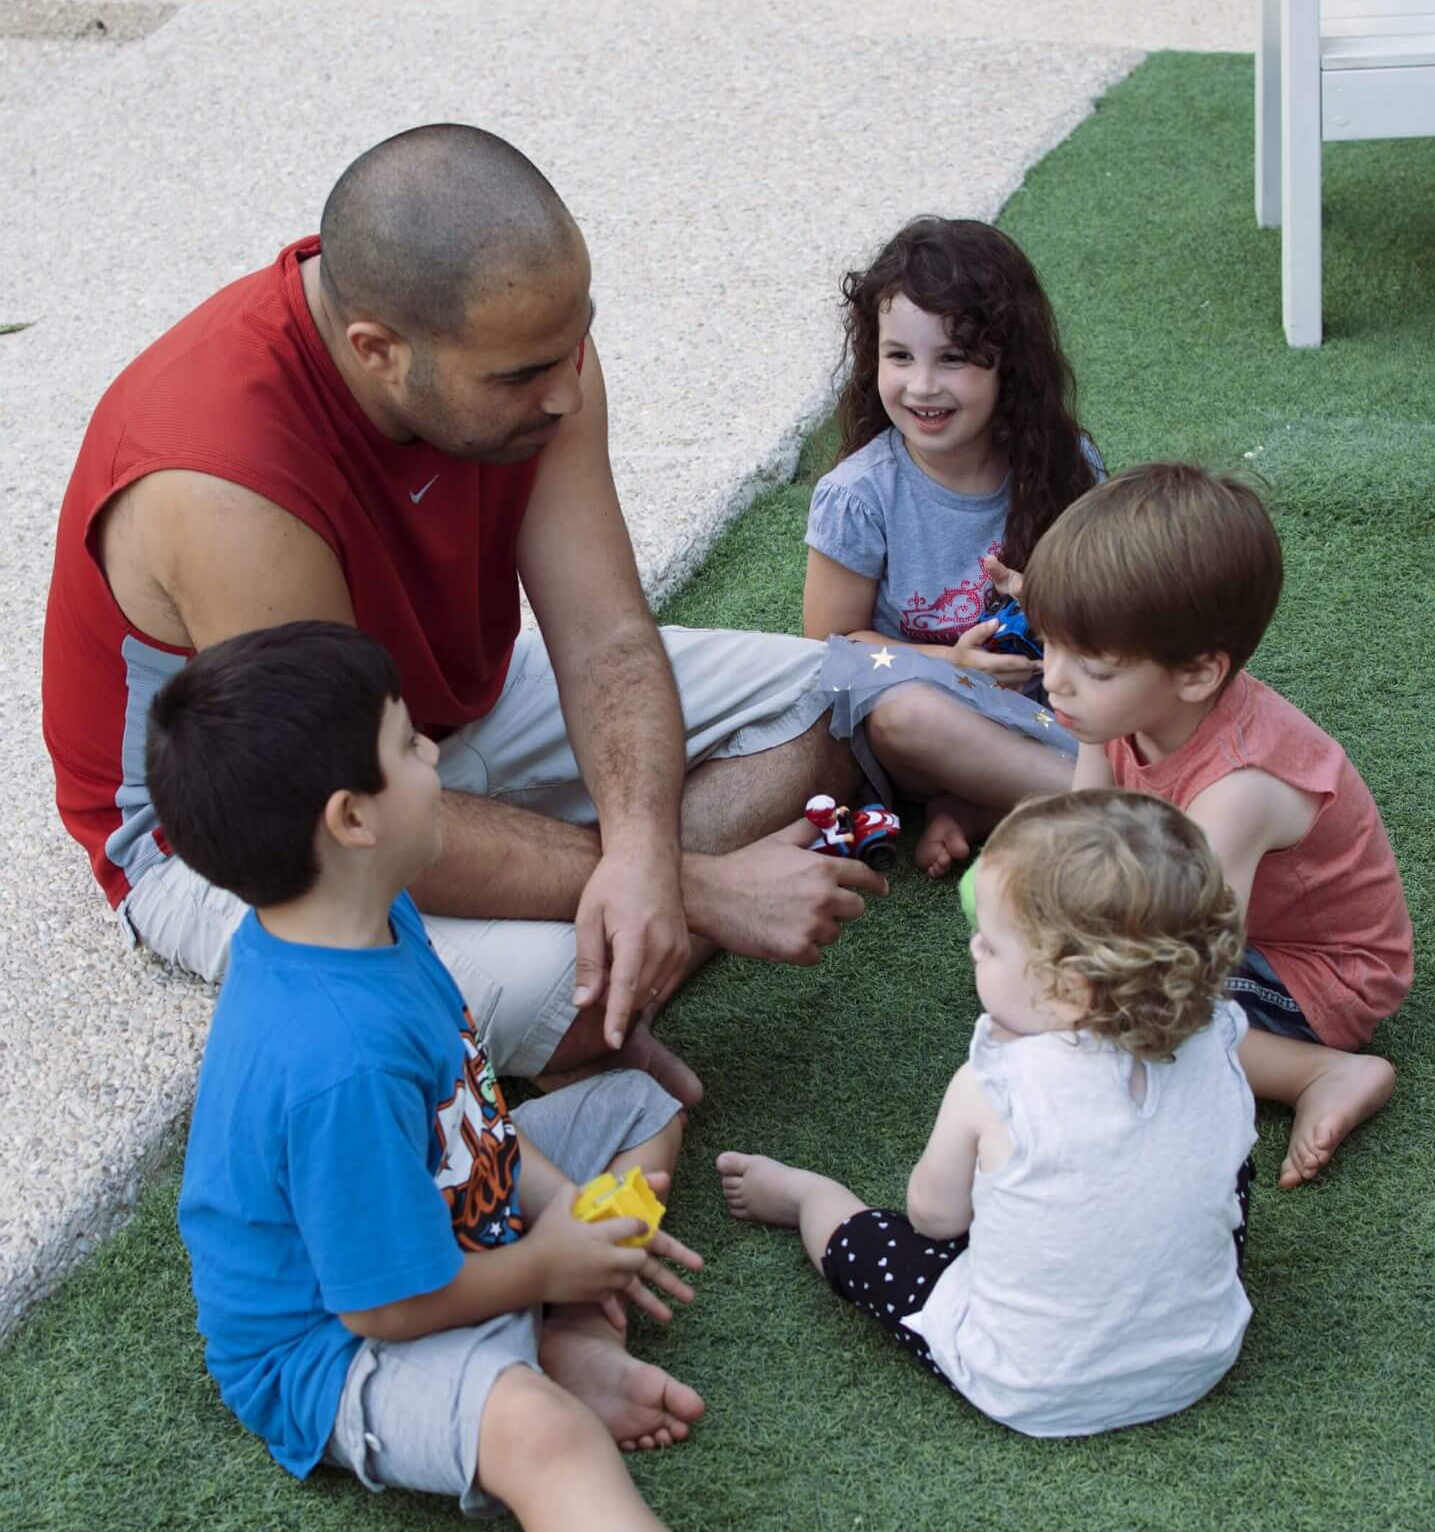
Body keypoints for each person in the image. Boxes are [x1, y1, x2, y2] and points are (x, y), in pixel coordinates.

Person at [147, 620, 912, 1532]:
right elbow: (389, 1308)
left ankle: (572, 1344)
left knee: (633, 1111)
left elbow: (473, 1112)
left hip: (447, 1215)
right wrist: (552, 1256)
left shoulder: (370, 914)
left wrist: (566, 1219)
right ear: (349, 819)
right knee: (539, 1441)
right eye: (410, 749)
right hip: (331, 1342)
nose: (437, 763)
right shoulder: (331, 1057)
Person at [42, 124, 885, 1095]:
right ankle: (604, 966)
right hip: (248, 832)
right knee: (553, 1000)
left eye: (576, 342)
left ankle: (610, 944)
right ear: (377, 352)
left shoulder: (527, 339)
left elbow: (608, 639)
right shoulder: (223, 479)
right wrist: (703, 885)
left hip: (441, 711)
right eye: (524, 375)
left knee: (835, 702)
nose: (569, 390)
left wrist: (647, 861)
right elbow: (351, 808)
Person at [719, 791, 1257, 1439]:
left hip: (1030, 1382)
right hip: (1199, 1356)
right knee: (1222, 1155)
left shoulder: (995, 1082)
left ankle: (809, 1200)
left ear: (1070, 992)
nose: (975, 947)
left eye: (993, 945)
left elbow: (936, 1218)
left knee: (876, 1246)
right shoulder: (1222, 1039)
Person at [1023, 462, 1413, 1189]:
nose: (1054, 679)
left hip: (1322, 973)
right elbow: (1087, 829)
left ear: (1198, 674)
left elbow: (1192, 958)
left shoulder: (1239, 789)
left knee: (1126, 1019)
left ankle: (1320, 1072)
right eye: (1047, 643)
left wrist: (1088, 984)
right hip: (1239, 922)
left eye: (1093, 666)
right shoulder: (1118, 711)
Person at [802, 217, 1102, 878]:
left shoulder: (1065, 465)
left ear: (1011, 365)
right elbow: (830, 649)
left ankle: (981, 804)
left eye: (955, 358)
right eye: (900, 356)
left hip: (1062, 705)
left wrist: (1056, 612)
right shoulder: (859, 496)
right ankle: (1114, 804)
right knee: (902, 718)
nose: (922, 386)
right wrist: (949, 663)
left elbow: (1111, 606)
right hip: (940, 724)